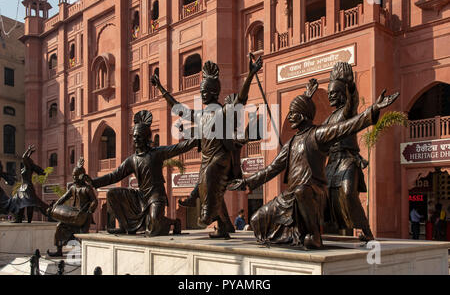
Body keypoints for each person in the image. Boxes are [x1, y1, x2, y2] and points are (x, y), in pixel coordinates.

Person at [228, 80, 399, 249]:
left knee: (303, 191)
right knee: (257, 220)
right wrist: (246, 182)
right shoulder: (291, 143)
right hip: (291, 197)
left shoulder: (318, 134)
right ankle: (292, 238)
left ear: (302, 116)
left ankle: (314, 235)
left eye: (293, 113)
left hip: (312, 192)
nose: (290, 117)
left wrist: (374, 109)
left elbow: (348, 126)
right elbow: (271, 169)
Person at [151, 56, 263, 238]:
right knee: (209, 184)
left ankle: (206, 214)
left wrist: (250, 74)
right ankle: (224, 225)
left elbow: (241, 99)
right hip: (206, 160)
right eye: (202, 91)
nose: (203, 94)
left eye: (206, 91)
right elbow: (177, 108)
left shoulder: (223, 111)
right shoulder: (200, 115)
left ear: (214, 92)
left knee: (208, 177)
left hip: (220, 159)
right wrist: (161, 89)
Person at [91, 110, 199, 236]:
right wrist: (93, 182)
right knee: (112, 193)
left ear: (147, 137)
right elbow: (114, 176)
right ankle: (123, 226)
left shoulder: (156, 153)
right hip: (140, 196)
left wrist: (197, 139)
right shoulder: (132, 160)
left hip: (156, 196)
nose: (135, 139)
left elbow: (178, 148)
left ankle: (174, 222)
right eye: (134, 136)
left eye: (138, 136)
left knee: (153, 228)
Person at [323, 62, 374, 242]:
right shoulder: (328, 119)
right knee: (323, 196)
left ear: (343, 93)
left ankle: (366, 230)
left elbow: (354, 102)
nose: (331, 97)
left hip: (347, 159)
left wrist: (351, 86)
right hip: (331, 163)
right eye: (329, 93)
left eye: (334, 93)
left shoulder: (347, 112)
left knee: (348, 193)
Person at [47, 157, 98, 257]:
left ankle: (84, 254)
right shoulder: (72, 188)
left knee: (82, 235)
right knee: (59, 227)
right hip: (72, 215)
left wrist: (89, 210)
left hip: (84, 217)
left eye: (76, 176)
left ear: (81, 176)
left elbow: (94, 201)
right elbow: (63, 197)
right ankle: (59, 250)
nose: (74, 178)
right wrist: (55, 206)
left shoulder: (87, 188)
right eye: (73, 176)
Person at [9, 145, 50, 223]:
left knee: (29, 203)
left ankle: (29, 221)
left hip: (27, 187)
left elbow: (24, 157)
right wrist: (30, 153)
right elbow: (26, 158)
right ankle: (19, 219)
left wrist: (28, 150)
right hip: (23, 187)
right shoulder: (26, 167)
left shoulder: (28, 168)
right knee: (20, 203)